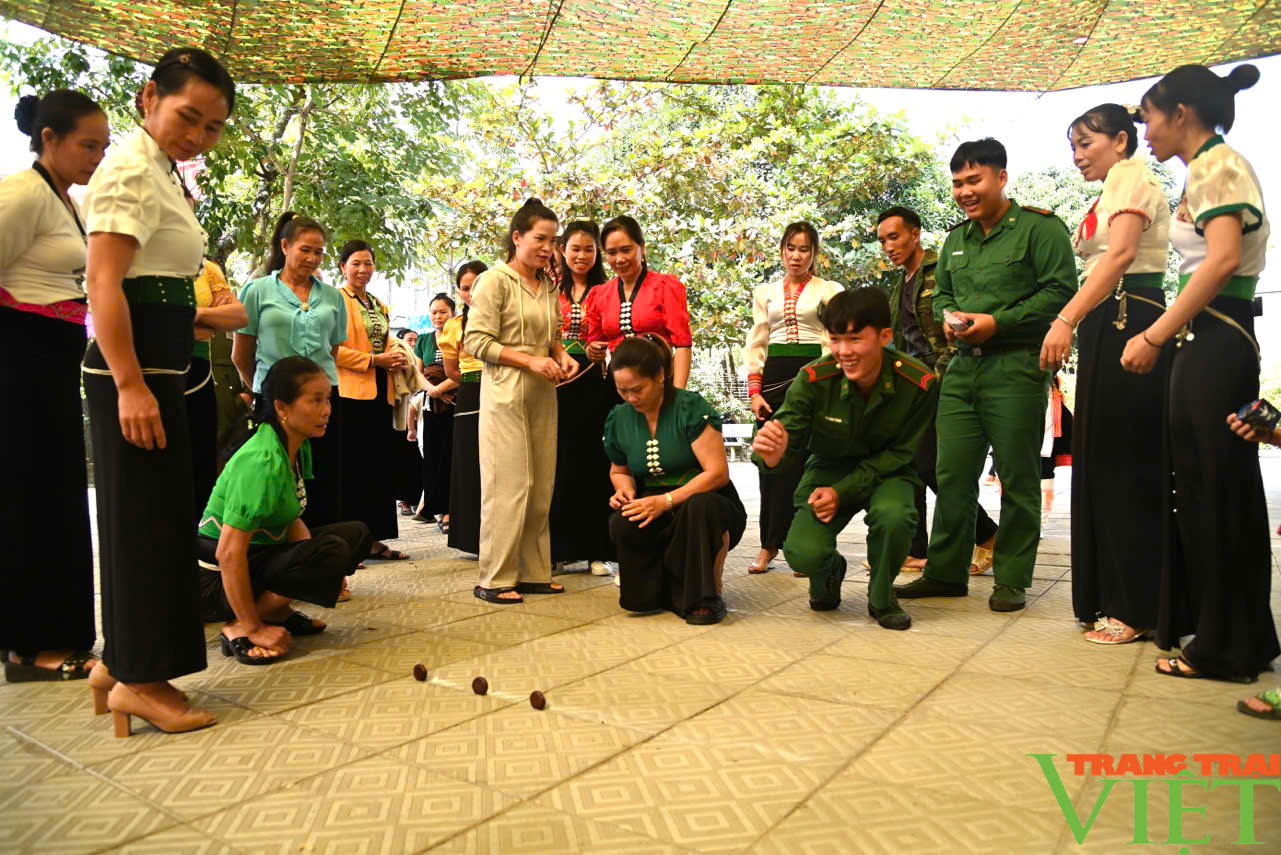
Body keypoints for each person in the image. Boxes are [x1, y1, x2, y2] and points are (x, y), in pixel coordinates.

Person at [80, 47, 235, 736]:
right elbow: (104, 283)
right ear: (148, 98)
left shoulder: (164, 173)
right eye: (187, 117)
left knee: (155, 519)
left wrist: (189, 325)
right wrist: (130, 382)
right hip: (135, 368)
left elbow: (163, 283)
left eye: (212, 127)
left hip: (165, 362)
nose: (197, 135)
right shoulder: (129, 169)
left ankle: (117, 663)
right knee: (142, 526)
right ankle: (141, 680)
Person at [1121, 64, 1277, 682]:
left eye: (1149, 116)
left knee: (1217, 492)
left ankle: (1225, 647)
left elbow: (1223, 262)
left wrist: (1155, 333)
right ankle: (1237, 636)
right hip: (1204, 338)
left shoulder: (1217, 166)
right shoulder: (1205, 171)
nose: (1147, 130)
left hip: (1218, 335)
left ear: (1181, 112)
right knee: (1209, 493)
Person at [895, 138, 1076, 613]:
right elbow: (940, 298)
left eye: (974, 180)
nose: (964, 191)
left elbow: (1060, 291)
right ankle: (945, 572)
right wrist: (951, 314)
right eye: (957, 183)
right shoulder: (956, 240)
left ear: (1001, 177)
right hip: (960, 371)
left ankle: (1012, 577)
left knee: (1017, 476)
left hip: (1016, 366)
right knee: (952, 474)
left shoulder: (1041, 229)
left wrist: (999, 322)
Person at [1043, 104, 1170, 644]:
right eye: (1072, 145)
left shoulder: (1130, 178)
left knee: (1124, 463)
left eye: (1086, 143)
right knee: (1102, 462)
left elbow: (1118, 257)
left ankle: (1135, 604)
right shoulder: (1114, 184)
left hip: (1128, 317)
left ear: (1121, 140)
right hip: (1107, 322)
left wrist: (1066, 317)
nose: (1077, 156)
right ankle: (1108, 595)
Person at [1, 89, 107, 682]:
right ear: (49, 139)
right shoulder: (19, 194)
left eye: (103, 147)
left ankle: (61, 632)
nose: (96, 157)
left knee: (61, 499)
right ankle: (26, 645)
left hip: (55, 363)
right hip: (19, 361)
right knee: (29, 502)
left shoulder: (65, 200)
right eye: (87, 145)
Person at [752, 288, 935, 630]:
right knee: (802, 551)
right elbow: (785, 440)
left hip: (889, 471)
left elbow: (901, 453)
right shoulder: (813, 379)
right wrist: (772, 456)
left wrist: (843, 492)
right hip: (829, 467)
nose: (843, 352)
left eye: (854, 339)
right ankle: (829, 572)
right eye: (835, 339)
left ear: (884, 336)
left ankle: (881, 596)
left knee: (895, 516)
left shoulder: (918, 383)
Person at [196, 356, 371, 666]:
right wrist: (252, 626)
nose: (326, 410)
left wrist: (315, 570)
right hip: (214, 582)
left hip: (257, 559)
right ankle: (241, 625)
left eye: (327, 399)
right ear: (281, 407)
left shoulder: (296, 444)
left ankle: (277, 612)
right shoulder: (262, 461)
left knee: (354, 535)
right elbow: (228, 554)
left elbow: (292, 519)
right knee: (330, 550)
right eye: (315, 401)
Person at [465, 199, 578, 603]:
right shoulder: (494, 280)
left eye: (553, 240)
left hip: (543, 392)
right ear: (517, 238)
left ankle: (533, 572)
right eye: (539, 239)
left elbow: (554, 336)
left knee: (541, 483)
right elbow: (476, 341)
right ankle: (493, 578)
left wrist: (560, 356)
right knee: (508, 484)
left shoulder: (548, 285)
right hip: (505, 390)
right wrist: (531, 360)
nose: (548, 248)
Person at [877, 206, 1000, 577]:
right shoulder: (902, 282)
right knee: (909, 463)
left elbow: (955, 328)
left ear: (915, 234)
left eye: (894, 237)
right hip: (911, 385)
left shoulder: (941, 269)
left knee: (934, 467)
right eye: (883, 240)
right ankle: (915, 550)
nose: (888, 246)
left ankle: (990, 535)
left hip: (944, 382)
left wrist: (938, 380)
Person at [606, 335, 745, 624]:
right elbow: (619, 470)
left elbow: (717, 473)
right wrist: (625, 491)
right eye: (622, 391)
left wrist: (666, 501)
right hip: (653, 500)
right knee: (623, 520)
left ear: (660, 375)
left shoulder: (689, 407)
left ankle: (706, 596)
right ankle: (655, 592)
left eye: (637, 389)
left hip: (705, 499)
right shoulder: (619, 417)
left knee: (699, 508)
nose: (630, 398)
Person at [233, 213, 347, 534]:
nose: (313, 258)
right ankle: (280, 563)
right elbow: (241, 355)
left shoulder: (333, 297)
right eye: (305, 250)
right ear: (285, 246)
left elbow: (332, 353)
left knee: (325, 480)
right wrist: (264, 390)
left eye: (319, 252)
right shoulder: (256, 291)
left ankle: (326, 563)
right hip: (275, 403)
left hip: (324, 400)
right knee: (277, 479)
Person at [743, 222, 845, 575]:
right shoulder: (765, 292)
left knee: (807, 462)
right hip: (773, 381)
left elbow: (836, 339)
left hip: (814, 376)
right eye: (790, 248)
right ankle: (768, 545)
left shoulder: (830, 291)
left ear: (815, 253)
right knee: (769, 464)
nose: (796, 255)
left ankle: (802, 546)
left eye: (804, 249)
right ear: (782, 251)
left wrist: (832, 382)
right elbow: (757, 342)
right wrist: (754, 392)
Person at [333, 239, 409, 561]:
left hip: (381, 391)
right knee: (352, 468)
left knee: (379, 466)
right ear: (342, 267)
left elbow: (387, 340)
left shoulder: (378, 304)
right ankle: (351, 544)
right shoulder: (336, 300)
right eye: (356, 264)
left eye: (368, 263)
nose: (363, 270)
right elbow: (331, 348)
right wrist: (373, 360)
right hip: (349, 393)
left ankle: (375, 540)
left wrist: (397, 357)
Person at [548, 220, 616, 574]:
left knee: (594, 462)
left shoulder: (608, 290)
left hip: (594, 383)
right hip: (555, 383)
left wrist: (599, 348)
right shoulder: (546, 289)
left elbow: (617, 334)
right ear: (562, 250)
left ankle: (595, 550)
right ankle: (557, 548)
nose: (582, 256)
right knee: (556, 464)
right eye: (575, 248)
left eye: (589, 249)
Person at [587, 216, 692, 387]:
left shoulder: (665, 286)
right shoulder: (600, 294)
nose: (619, 259)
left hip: (658, 381)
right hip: (617, 386)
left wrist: (679, 394)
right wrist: (592, 351)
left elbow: (683, 345)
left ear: (642, 247)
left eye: (626, 250)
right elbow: (594, 344)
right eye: (612, 253)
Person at [188, 254, 247, 521]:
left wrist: (196, 315)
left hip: (203, 376)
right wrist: (213, 317)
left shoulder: (208, 269)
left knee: (210, 460)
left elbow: (237, 316)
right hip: (156, 369)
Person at [441, 262, 487, 549]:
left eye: (478, 286)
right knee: (470, 463)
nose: (472, 293)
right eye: (467, 288)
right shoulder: (455, 325)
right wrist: (474, 381)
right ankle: (471, 538)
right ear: (459, 291)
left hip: (502, 392)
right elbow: (451, 371)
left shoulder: (503, 319)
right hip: (470, 395)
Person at [413, 293, 457, 528]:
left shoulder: (461, 333)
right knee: (431, 456)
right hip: (432, 403)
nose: (438, 316)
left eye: (443, 312)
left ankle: (451, 510)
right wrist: (433, 390)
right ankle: (433, 507)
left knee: (451, 455)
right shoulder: (423, 340)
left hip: (456, 402)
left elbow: (464, 368)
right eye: (434, 312)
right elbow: (417, 372)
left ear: (453, 314)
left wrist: (443, 388)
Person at [393, 328, 424, 516]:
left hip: (417, 417)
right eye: (409, 340)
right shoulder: (397, 359)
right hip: (399, 417)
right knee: (401, 458)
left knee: (416, 459)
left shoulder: (420, 362)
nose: (413, 344)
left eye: (415, 340)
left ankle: (415, 498)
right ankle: (403, 500)